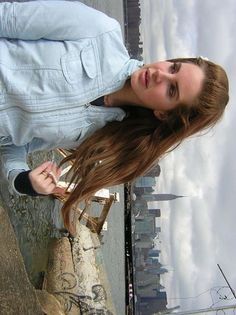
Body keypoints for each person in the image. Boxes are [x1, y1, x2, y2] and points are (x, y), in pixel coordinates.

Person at [0, 1, 229, 235]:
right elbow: (6, 18)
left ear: (163, 114)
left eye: (172, 90)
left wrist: (23, 181)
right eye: (173, 67)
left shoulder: (102, 137)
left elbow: (15, 142)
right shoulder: (99, 31)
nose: (160, 74)